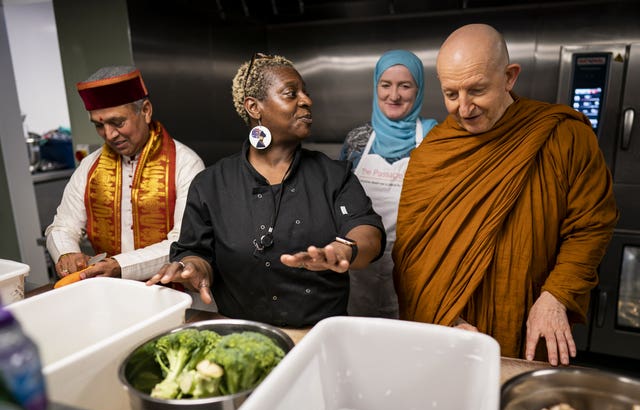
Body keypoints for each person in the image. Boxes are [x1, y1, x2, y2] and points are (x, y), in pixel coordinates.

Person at [392, 24, 618, 366]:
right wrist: (443, 318)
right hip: (449, 329)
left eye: (477, 90)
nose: (464, 108)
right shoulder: (432, 153)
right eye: (451, 94)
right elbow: (411, 254)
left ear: (510, 77)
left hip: (529, 321)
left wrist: (556, 295)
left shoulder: (564, 137)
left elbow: (590, 226)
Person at [146, 54, 385, 328]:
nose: (307, 101)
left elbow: (368, 231)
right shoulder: (210, 184)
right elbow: (195, 252)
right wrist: (195, 269)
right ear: (254, 107)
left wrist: (344, 250)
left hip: (319, 334)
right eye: (291, 93)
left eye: (305, 93)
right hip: (240, 336)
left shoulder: (333, 175)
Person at [45, 65, 205, 281]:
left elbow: (183, 242)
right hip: (110, 292)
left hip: (172, 292)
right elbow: (63, 226)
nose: (109, 135)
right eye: (99, 126)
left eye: (118, 122)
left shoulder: (185, 164)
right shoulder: (90, 167)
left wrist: (119, 265)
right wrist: (66, 252)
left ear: (146, 110)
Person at [339, 49, 437, 318]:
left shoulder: (434, 139)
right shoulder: (357, 140)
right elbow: (339, 201)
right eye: (386, 85)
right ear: (375, 87)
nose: (394, 95)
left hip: (414, 260)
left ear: (418, 90)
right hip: (360, 258)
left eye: (405, 86)